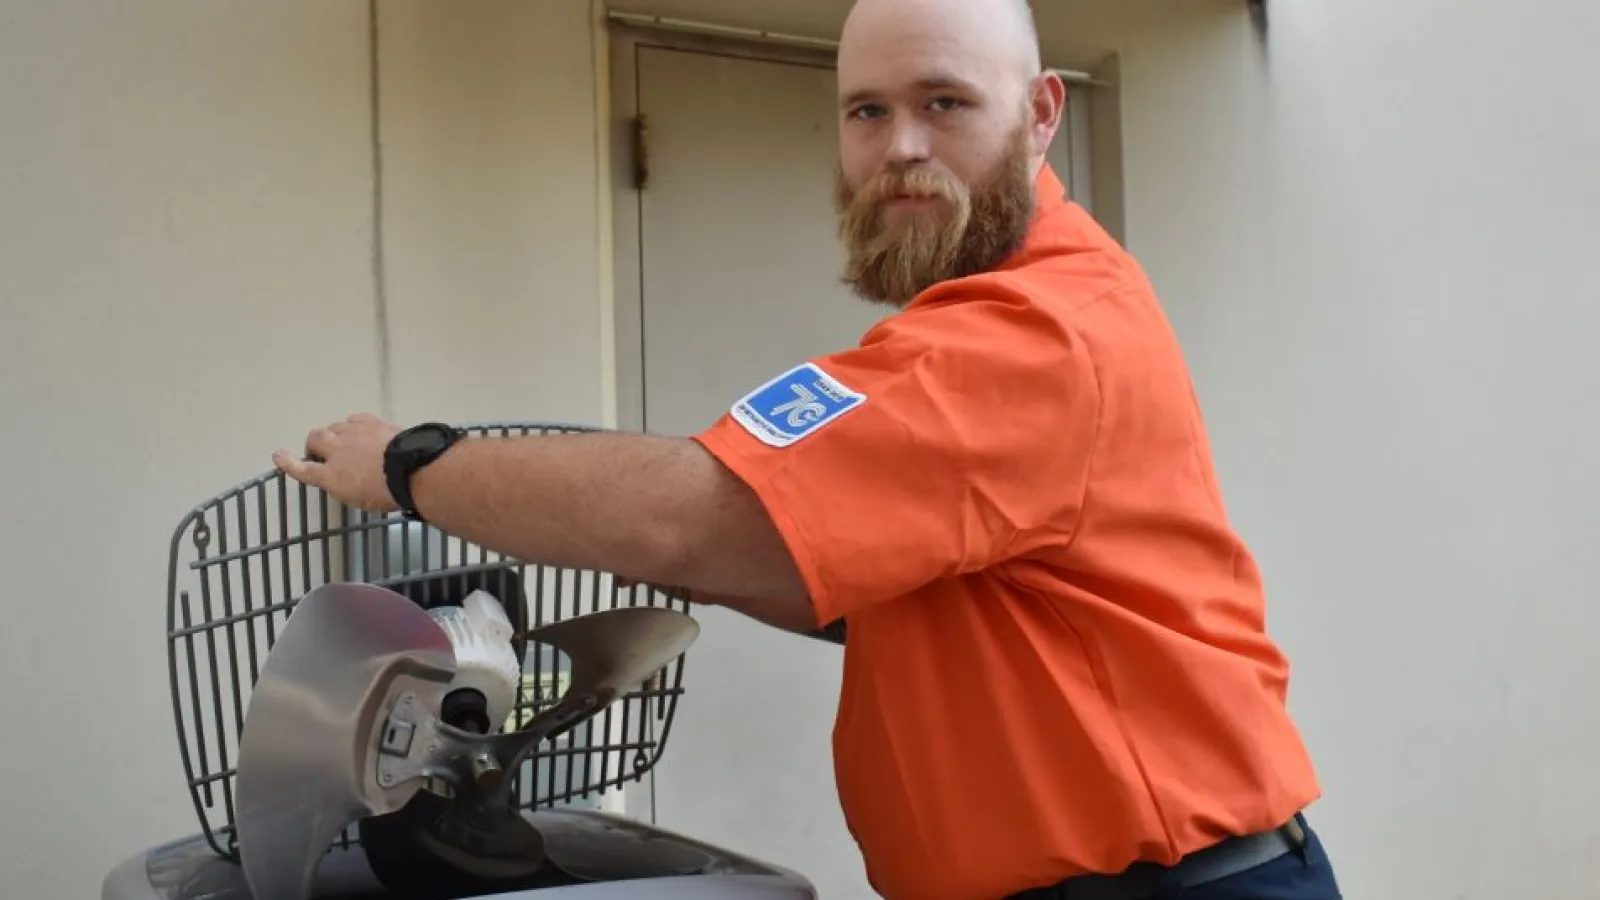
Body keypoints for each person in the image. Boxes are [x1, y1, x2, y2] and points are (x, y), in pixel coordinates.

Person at [274, 0, 1343, 896]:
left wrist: (414, 465)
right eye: (866, 111)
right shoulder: (990, 322)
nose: (901, 148)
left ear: (1042, 114)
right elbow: (822, 574)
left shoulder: (1032, 333)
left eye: (945, 103)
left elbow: (688, 512)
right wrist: (708, 552)